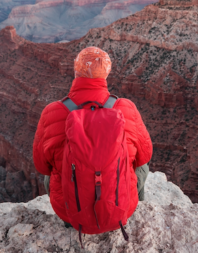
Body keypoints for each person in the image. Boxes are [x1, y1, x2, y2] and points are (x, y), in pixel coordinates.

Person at [32, 46, 152, 228]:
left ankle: (74, 216)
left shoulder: (52, 112)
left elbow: (41, 166)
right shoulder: (126, 108)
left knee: (52, 172)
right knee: (141, 165)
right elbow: (145, 155)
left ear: (76, 71)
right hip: (120, 208)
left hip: (71, 213)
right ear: (106, 73)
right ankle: (126, 213)